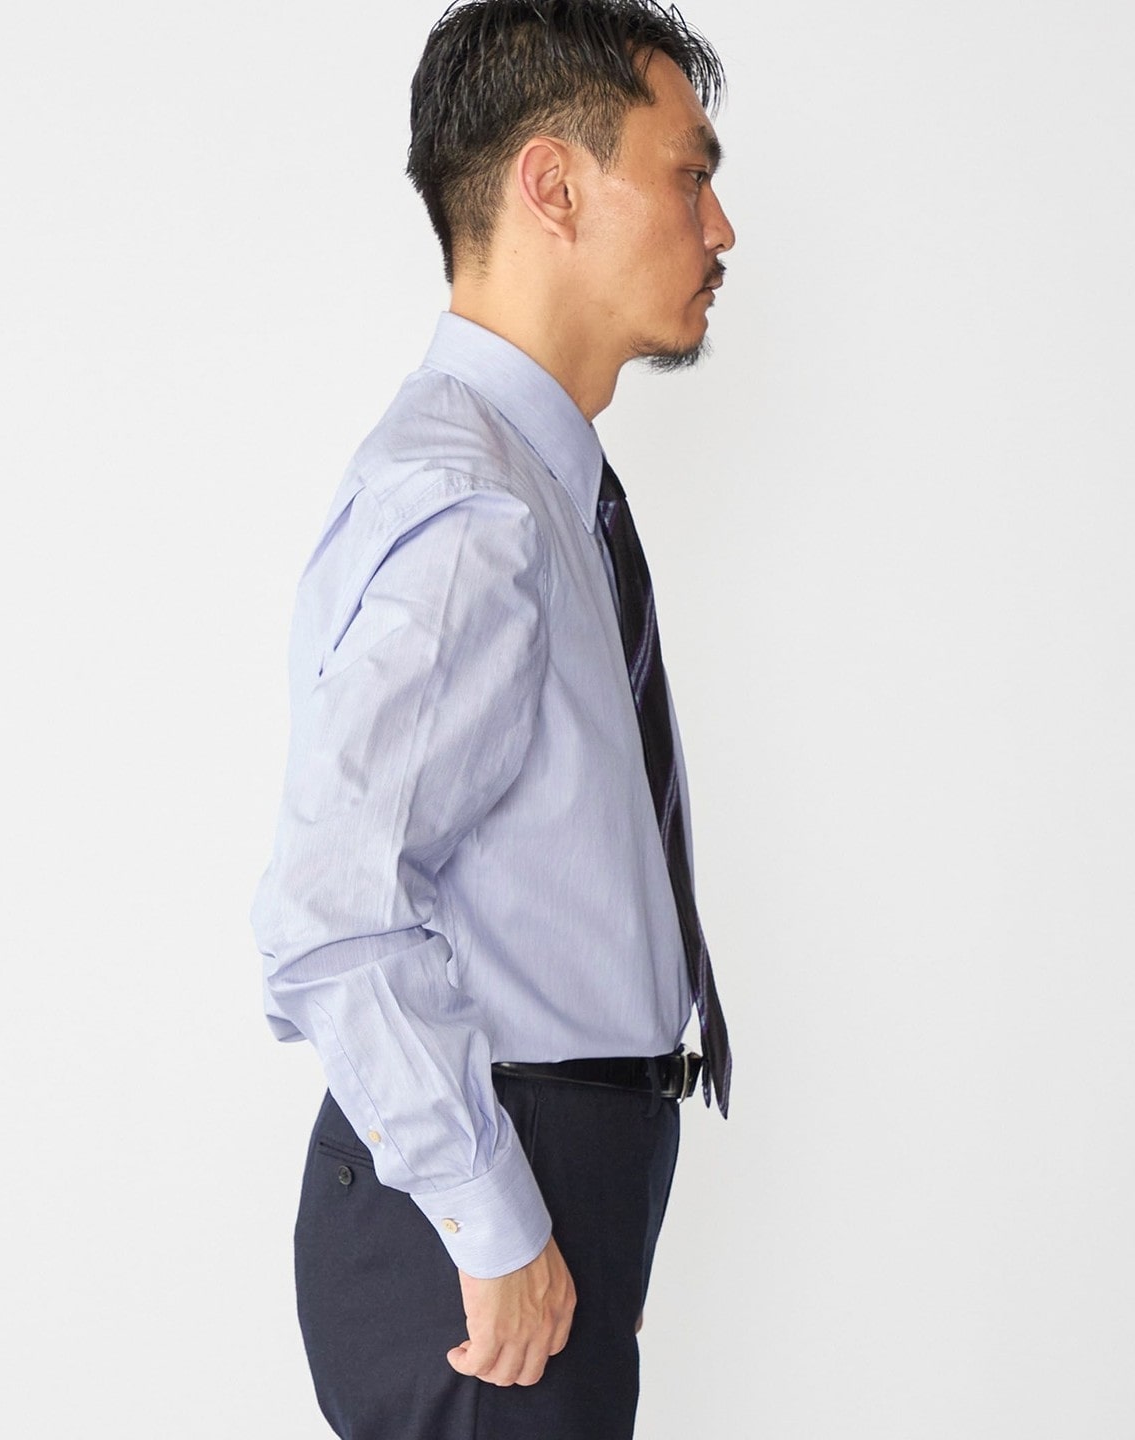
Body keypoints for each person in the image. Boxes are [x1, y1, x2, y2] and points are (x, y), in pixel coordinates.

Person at [251, 2, 737, 1435]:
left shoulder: (525, 489)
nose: (720, 230)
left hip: (548, 1165)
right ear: (552, 185)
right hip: (486, 1190)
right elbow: (330, 914)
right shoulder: (475, 510)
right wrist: (498, 1217)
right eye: (691, 176)